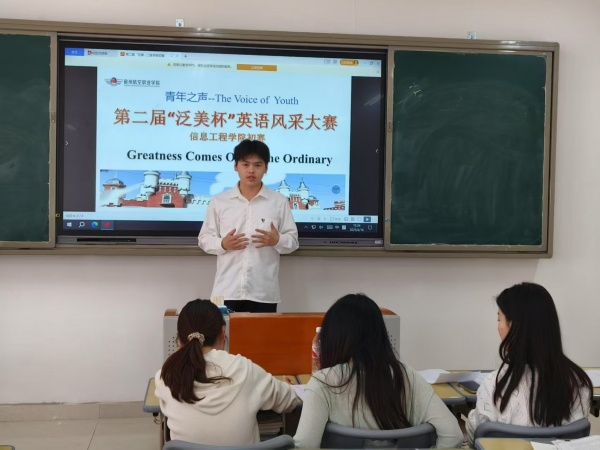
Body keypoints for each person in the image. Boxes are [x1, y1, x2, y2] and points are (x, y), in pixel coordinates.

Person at [293, 293, 464, 448]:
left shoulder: (322, 383)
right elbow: (453, 435)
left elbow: (305, 445)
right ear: (380, 334)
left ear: (332, 337)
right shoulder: (407, 376)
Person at [154, 299, 300, 445]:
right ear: (223, 333)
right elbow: (289, 401)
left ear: (179, 340)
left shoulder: (165, 376)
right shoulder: (244, 368)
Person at [466, 282, 592, 444]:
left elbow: (478, 438)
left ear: (514, 327)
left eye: (499, 319)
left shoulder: (494, 385)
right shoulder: (578, 383)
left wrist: (470, 418)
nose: (498, 327)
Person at [198, 139, 299, 312]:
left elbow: (293, 242)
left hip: (263, 293)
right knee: (222, 331)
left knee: (263, 332)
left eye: (258, 165)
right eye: (245, 164)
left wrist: (277, 240)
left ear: (266, 168)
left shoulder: (278, 202)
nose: (251, 170)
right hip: (225, 291)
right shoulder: (219, 202)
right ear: (235, 166)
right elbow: (204, 239)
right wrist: (223, 244)